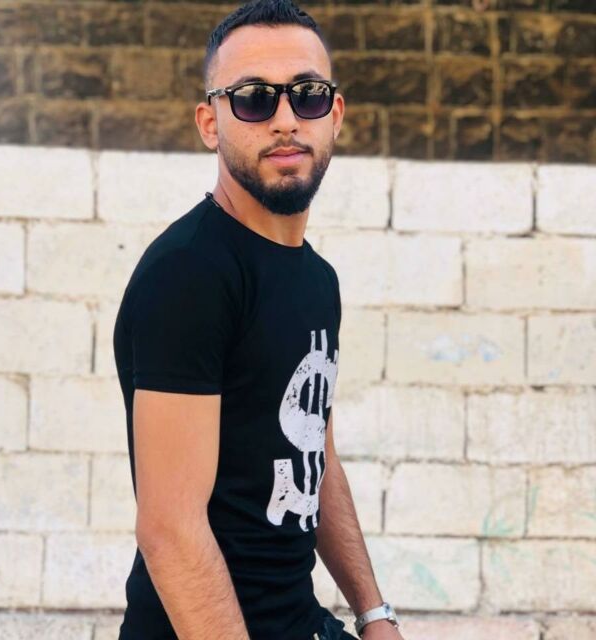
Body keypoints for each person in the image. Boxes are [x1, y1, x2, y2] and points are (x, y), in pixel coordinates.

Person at [113, 1, 404, 638]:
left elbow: (314, 455)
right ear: (210, 122)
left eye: (307, 95)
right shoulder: (190, 273)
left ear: (335, 114)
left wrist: (374, 613)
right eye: (252, 98)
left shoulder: (317, 279)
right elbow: (170, 530)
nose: (285, 119)